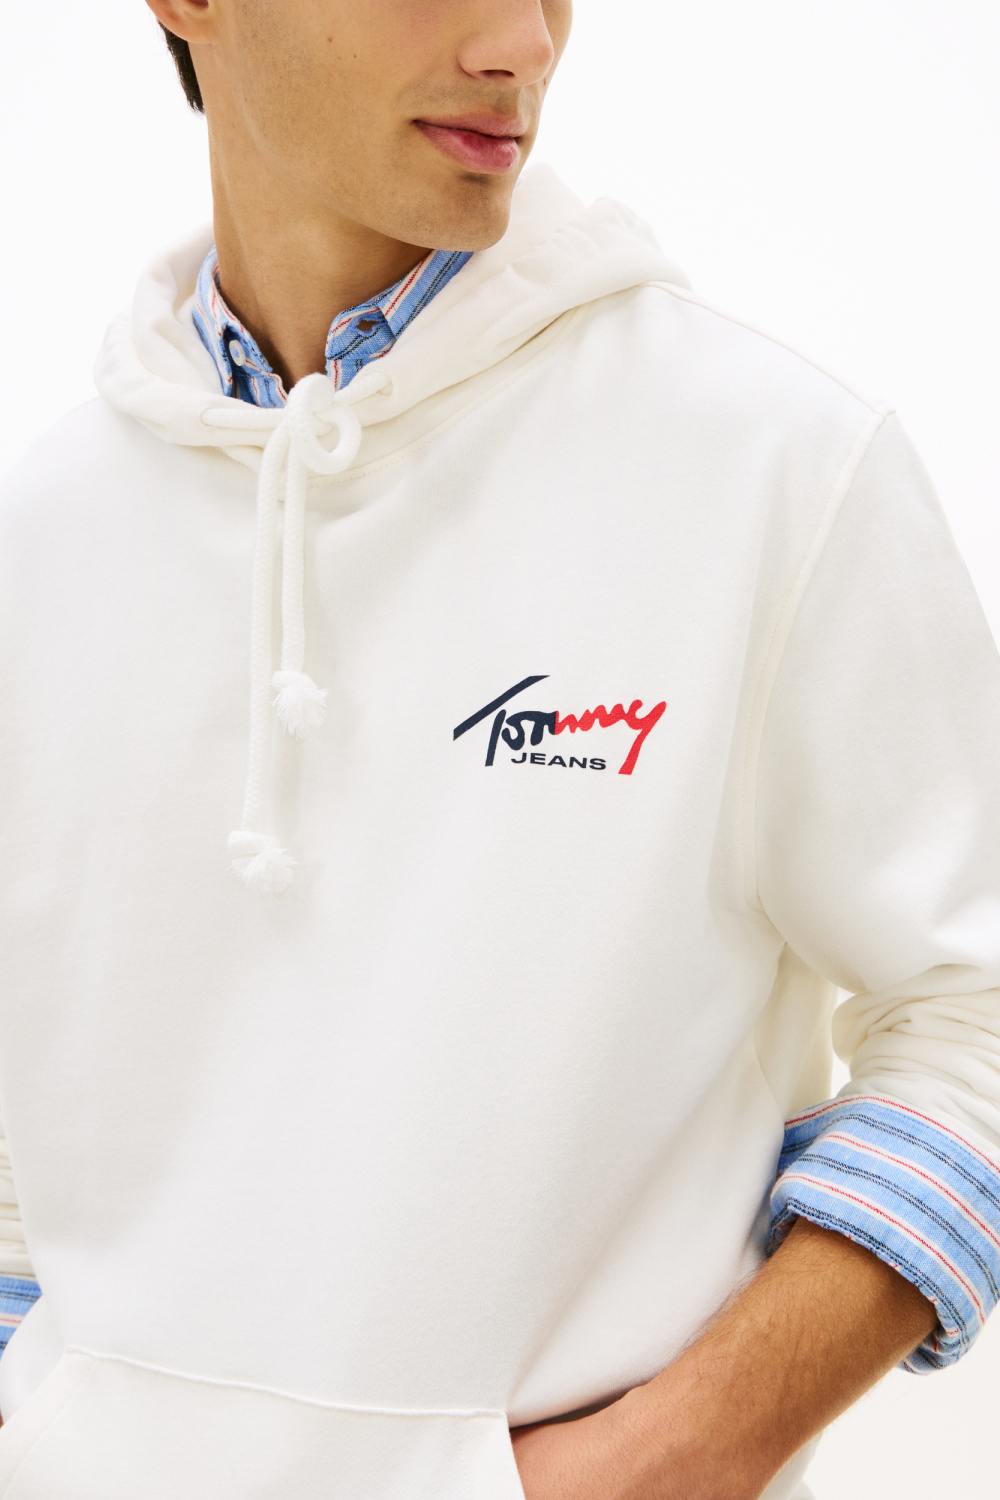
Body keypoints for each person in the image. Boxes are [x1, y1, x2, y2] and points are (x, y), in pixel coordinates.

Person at [0, 2, 998, 1496]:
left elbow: (976, 1014)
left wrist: (682, 1452)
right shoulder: (45, 536)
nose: (523, 43)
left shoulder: (774, 467)